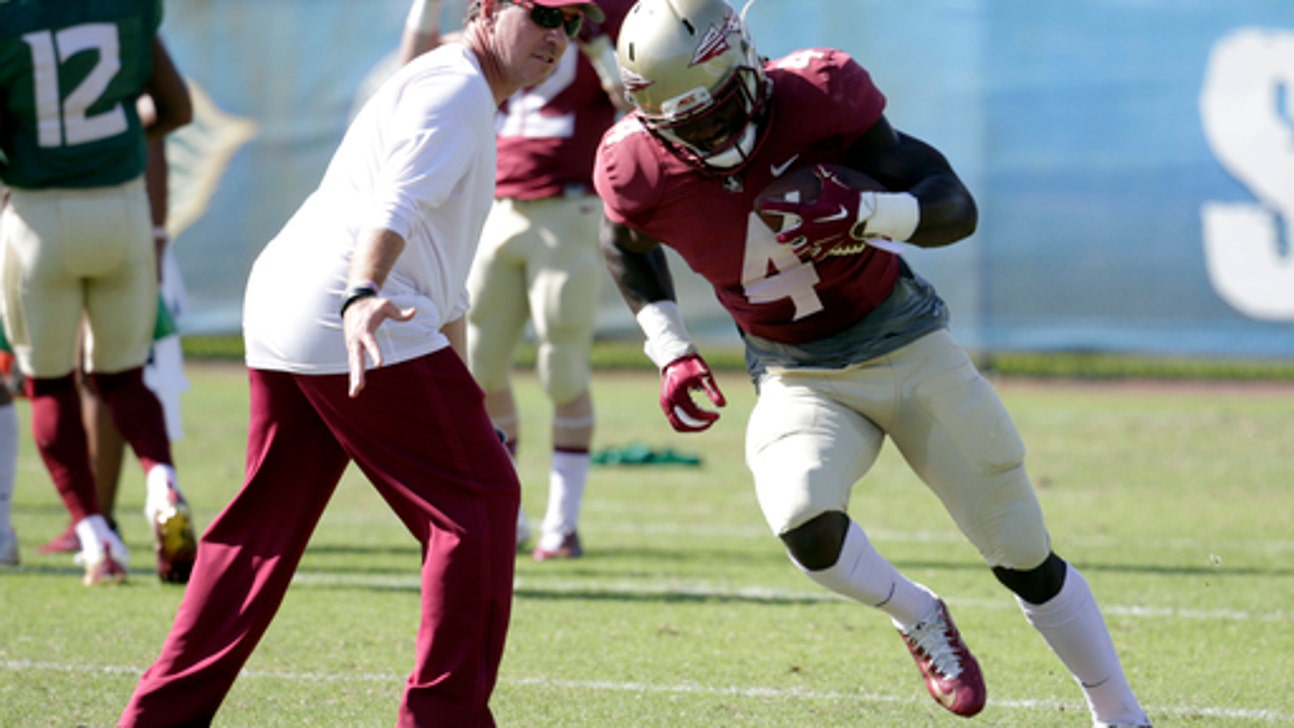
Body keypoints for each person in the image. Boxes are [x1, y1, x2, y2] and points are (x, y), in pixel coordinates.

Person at [593, 1, 1151, 726]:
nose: (707, 136)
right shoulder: (636, 163)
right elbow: (624, 245)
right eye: (685, 126)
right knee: (802, 520)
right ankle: (917, 613)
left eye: (716, 112)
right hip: (800, 375)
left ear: (747, 65)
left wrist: (867, 213)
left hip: (908, 343)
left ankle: (1120, 714)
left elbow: (954, 205)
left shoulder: (820, 97)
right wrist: (669, 348)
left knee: (1023, 555)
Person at [119, 0, 604, 725]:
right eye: (540, 13)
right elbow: (397, 204)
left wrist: (453, 383)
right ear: (485, 11)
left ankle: (157, 717)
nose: (554, 36)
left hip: (291, 299)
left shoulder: (457, 81)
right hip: (348, 308)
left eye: (569, 22)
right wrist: (363, 290)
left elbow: (445, 280)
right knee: (481, 503)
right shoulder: (459, 88)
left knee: (260, 529)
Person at [400, 0, 635, 560]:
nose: (555, 30)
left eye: (565, 21)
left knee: (563, 364)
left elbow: (638, 104)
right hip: (495, 208)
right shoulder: (503, 17)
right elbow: (414, 73)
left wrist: (599, 45)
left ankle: (563, 522)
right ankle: (511, 513)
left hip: (569, 208)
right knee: (478, 367)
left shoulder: (616, 15)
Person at [0, 3, 195, 585]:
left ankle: (95, 536)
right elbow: (177, 108)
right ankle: (161, 480)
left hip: (38, 216)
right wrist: (121, 137)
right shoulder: (126, 5)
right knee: (125, 377)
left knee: (49, 382)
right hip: (121, 207)